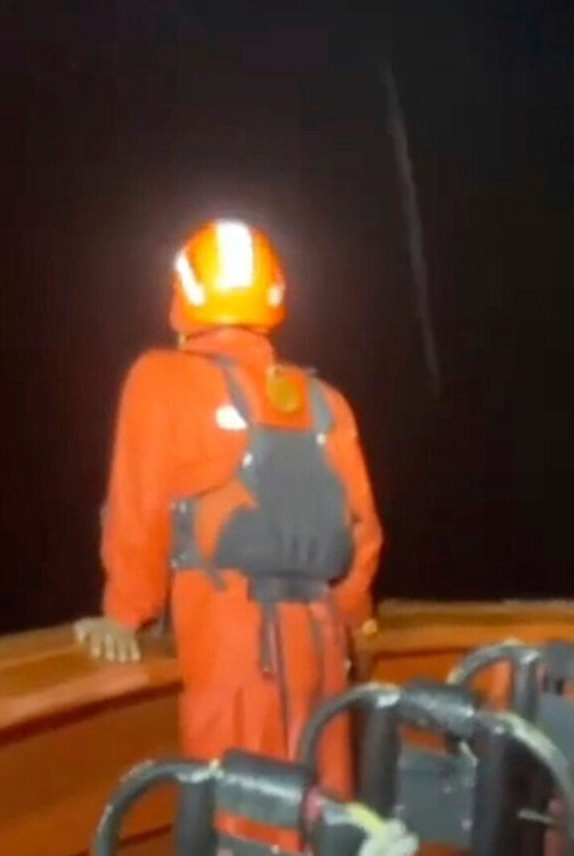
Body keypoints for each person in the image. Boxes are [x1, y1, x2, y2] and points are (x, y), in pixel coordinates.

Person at [75, 219, 383, 796]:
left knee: (242, 814)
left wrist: (123, 613)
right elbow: (361, 531)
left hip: (230, 646)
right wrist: (348, 615)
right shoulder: (325, 401)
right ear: (274, 295)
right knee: (327, 813)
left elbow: (140, 508)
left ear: (184, 293)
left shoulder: (160, 380)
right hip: (322, 649)